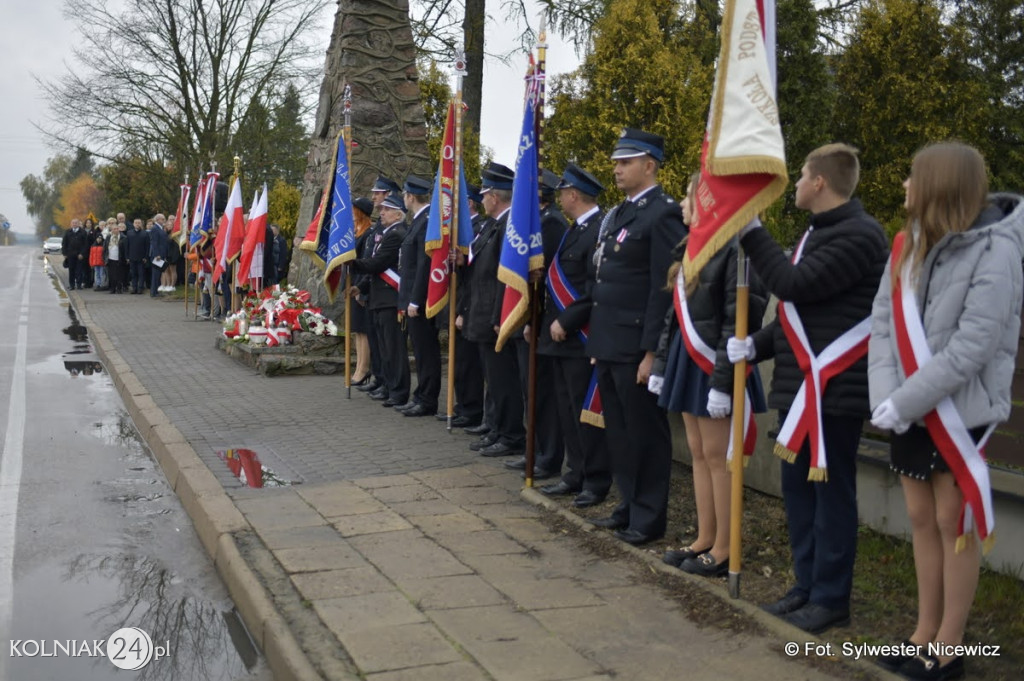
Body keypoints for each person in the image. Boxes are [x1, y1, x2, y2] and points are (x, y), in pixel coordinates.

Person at [867, 142, 1024, 679]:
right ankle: (921, 632)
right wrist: (886, 399)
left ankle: (950, 644)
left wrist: (903, 401)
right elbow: (884, 325)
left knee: (950, 520)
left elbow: (973, 347)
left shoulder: (995, 250)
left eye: (914, 177)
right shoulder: (908, 244)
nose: (905, 186)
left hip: (962, 412)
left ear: (938, 186)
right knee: (919, 518)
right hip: (908, 408)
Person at [726, 143, 888, 633]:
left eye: (800, 176)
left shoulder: (860, 235)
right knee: (798, 492)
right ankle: (805, 586)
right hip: (802, 388)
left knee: (831, 494)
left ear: (820, 183)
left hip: (835, 389)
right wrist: (756, 344)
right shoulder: (818, 232)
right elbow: (799, 316)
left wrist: (753, 233)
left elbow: (793, 286)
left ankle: (831, 597)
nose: (794, 184)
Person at [653, 173, 768, 576]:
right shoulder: (692, 248)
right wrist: (664, 366)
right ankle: (705, 536)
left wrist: (722, 383)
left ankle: (724, 548)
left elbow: (735, 322)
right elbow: (674, 317)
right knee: (699, 453)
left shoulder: (737, 248)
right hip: (689, 360)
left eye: (688, 198)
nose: (683, 206)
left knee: (720, 458)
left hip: (716, 365)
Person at [587, 128, 686, 546]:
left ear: (650, 164)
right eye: (616, 162)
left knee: (644, 432)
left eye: (625, 162)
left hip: (634, 346)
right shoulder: (623, 212)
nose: (617, 168)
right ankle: (628, 503)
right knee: (620, 433)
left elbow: (661, 288)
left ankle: (648, 517)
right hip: (610, 343)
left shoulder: (662, 212)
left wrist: (651, 353)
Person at [536, 163, 613, 508]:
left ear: (573, 194)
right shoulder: (573, 229)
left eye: (563, 192)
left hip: (580, 335)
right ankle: (575, 472)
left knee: (586, 413)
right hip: (561, 337)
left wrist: (567, 321)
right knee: (567, 411)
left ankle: (595, 480)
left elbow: (591, 287)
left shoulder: (598, 229)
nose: (560, 198)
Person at [457, 162, 526, 458]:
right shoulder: (491, 226)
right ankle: (497, 429)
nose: (481, 199)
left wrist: (500, 317)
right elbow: (477, 275)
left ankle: (510, 435)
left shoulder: (509, 226)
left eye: (484, 194)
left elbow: (504, 280)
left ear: (494, 197)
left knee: (504, 382)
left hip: (496, 318)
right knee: (494, 381)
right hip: (482, 314)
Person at [508, 169, 568, 480]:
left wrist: (536, 319)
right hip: (529, 319)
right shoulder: (538, 222)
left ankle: (548, 456)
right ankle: (535, 450)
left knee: (543, 395)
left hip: (541, 320)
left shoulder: (552, 223)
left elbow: (547, 279)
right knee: (531, 393)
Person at [350, 191, 410, 408]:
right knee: (383, 348)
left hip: (390, 298)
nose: (381, 213)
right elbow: (375, 269)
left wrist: (351, 262)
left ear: (397, 214)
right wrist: (360, 287)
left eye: (386, 210)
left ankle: (398, 391)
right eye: (382, 209)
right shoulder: (386, 233)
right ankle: (387, 386)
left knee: (393, 349)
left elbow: (378, 263)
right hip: (379, 297)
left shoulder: (396, 234)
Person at [397, 175, 441, 417]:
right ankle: (421, 395)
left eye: (404, 195)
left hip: (421, 300)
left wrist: (415, 300)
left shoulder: (426, 222)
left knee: (426, 352)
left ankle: (427, 399)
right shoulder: (419, 220)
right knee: (421, 352)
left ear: (410, 196)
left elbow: (424, 265)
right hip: (413, 297)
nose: (404, 199)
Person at [346, 201, 375, 385]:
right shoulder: (356, 231)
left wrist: (360, 289)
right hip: (354, 283)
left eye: (354, 211)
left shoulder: (369, 232)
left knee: (364, 331)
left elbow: (365, 262)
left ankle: (364, 368)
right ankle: (358, 366)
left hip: (361, 285)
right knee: (357, 330)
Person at [61, 218, 90, 290]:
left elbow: (86, 244)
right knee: (71, 270)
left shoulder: (83, 232)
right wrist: (64, 253)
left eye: (76, 223)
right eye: (73, 223)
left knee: (79, 270)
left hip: (79, 255)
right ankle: (72, 285)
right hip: (70, 255)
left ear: (78, 224)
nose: (74, 224)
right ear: (71, 224)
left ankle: (79, 285)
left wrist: (82, 254)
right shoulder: (68, 232)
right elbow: (64, 243)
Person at [125, 218, 150, 294]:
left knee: (141, 273)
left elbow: (147, 246)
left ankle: (140, 288)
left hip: (141, 258)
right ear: (133, 224)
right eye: (136, 223)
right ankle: (134, 287)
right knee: (133, 273)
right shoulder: (129, 233)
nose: (137, 224)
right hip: (132, 257)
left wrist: (146, 257)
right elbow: (127, 246)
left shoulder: (145, 233)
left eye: (139, 223)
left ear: (141, 224)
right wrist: (127, 257)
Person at [149, 214, 170, 297]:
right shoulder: (155, 229)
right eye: (162, 219)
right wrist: (156, 254)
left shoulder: (160, 228)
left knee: (159, 273)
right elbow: (154, 242)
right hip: (157, 255)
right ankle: (154, 292)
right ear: (157, 220)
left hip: (162, 254)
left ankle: (156, 291)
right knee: (156, 274)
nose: (164, 220)